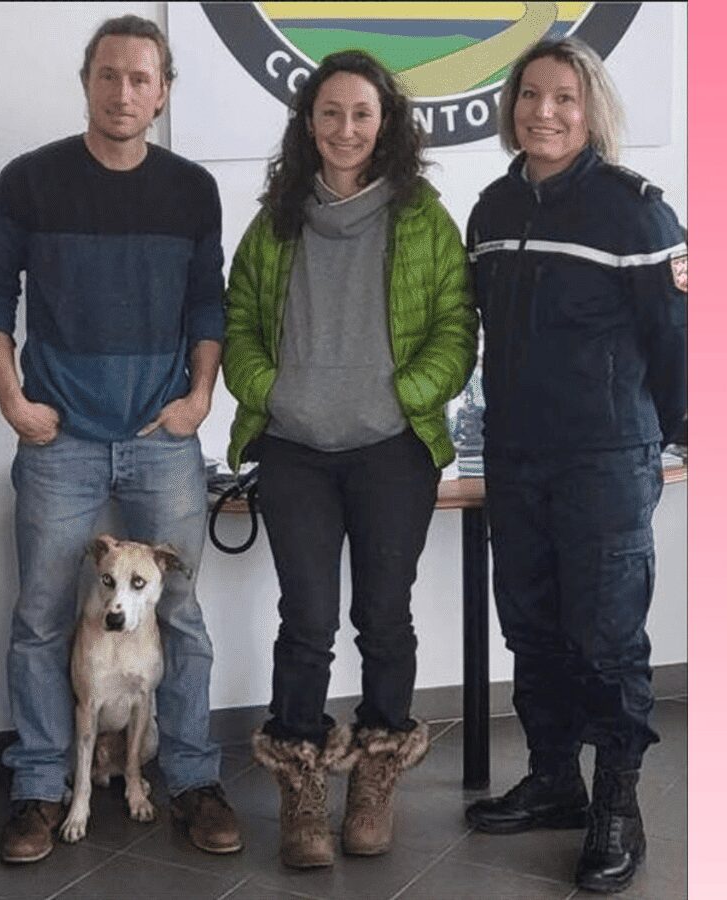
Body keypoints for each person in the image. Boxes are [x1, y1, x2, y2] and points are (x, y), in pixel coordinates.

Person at [0, 15, 242, 865]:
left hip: (161, 433)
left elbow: (207, 302)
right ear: (86, 80)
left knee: (183, 614)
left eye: (142, 79)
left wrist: (201, 395)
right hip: (62, 441)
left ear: (163, 93)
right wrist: (13, 400)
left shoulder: (192, 189)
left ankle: (191, 777)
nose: (124, 93)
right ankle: (40, 790)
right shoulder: (29, 181)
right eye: (109, 75)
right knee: (44, 619)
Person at [221, 50, 474, 869]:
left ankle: (373, 775)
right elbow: (240, 327)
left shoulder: (422, 217)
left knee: (384, 616)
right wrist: (277, 391)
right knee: (307, 620)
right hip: (295, 450)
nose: (345, 128)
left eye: (362, 113)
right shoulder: (275, 222)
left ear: (386, 122)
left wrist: (407, 397)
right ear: (308, 124)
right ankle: (301, 785)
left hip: (392, 452)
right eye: (330, 113)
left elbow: (456, 325)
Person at [461, 38, 687, 894]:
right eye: (529, 96)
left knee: (607, 641)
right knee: (532, 628)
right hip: (516, 457)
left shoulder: (636, 213)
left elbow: (675, 338)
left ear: (590, 109)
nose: (542, 113)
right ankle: (555, 778)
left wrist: (684, 430)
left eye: (562, 98)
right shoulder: (488, 209)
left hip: (605, 462)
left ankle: (616, 805)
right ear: (509, 106)